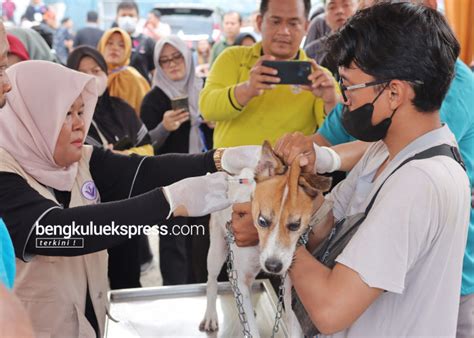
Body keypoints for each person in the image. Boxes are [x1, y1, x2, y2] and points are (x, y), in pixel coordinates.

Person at [232, 3, 470, 336]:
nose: (344, 101)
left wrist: (276, 240)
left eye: (349, 87)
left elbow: (331, 309)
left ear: (394, 92)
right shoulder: (382, 151)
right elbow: (328, 227)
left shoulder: (419, 182)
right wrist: (290, 205)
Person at [0, 60, 254, 336]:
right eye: (66, 114)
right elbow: (59, 230)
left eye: (82, 111)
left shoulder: (80, 159)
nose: (79, 124)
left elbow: (144, 172)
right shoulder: (4, 173)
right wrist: (168, 202)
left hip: (89, 324)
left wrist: (220, 159)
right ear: (34, 118)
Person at [67, 46, 159, 288]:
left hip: (123, 206)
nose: (90, 77)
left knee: (126, 279)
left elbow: (148, 148)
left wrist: (119, 156)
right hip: (84, 211)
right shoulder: (66, 114)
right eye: (82, 72)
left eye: (96, 70)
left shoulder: (121, 109)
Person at [199, 0, 339, 149]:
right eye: (275, 21)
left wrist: (331, 100)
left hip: (288, 171)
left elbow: (336, 135)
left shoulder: (318, 76)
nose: (284, 31)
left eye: (293, 23)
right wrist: (246, 90)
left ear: (306, 27)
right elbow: (207, 109)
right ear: (260, 22)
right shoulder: (232, 58)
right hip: (227, 168)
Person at [140, 35, 209, 284]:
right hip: (171, 185)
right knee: (174, 242)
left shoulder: (206, 89)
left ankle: (202, 292)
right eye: (165, 60)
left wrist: (213, 122)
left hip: (206, 179)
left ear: (187, 56)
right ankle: (176, 296)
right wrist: (164, 127)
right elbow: (144, 146)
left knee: (202, 240)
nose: (172, 64)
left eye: (177, 56)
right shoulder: (154, 99)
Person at [97, 27, 150, 116]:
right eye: (109, 43)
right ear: (101, 46)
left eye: (121, 45)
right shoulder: (93, 75)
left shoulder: (134, 78)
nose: (114, 48)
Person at [305, 0, 357, 73]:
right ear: (325, 16)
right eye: (332, 7)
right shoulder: (311, 51)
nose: (339, 11)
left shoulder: (368, 43)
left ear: (358, 9)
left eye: (346, 5)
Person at [115, 1, 156, 83]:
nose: (127, 19)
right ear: (117, 18)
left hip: (142, 93)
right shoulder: (109, 42)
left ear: (137, 18)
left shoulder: (147, 42)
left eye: (131, 15)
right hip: (115, 92)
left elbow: (155, 72)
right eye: (123, 15)